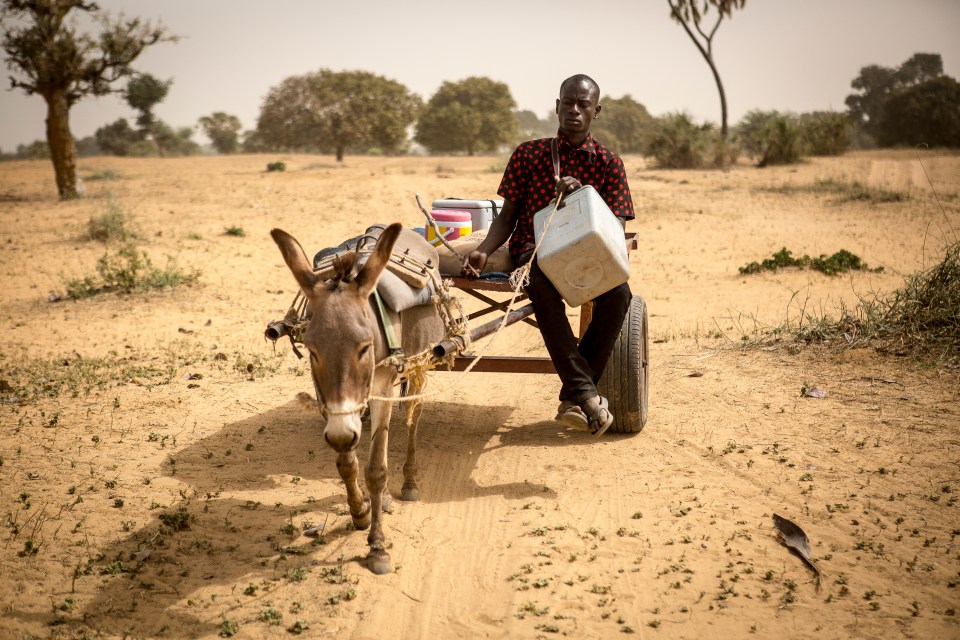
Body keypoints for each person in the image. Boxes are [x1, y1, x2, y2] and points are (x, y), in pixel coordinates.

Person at [462, 74, 634, 436]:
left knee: (619, 295)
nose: (574, 110)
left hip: (591, 255)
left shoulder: (608, 164)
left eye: (583, 105)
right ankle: (585, 393)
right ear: (557, 107)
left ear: (596, 112)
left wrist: (583, 197)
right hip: (533, 252)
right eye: (567, 103)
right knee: (541, 286)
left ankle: (575, 394)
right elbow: (506, 217)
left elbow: (615, 226)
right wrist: (483, 250)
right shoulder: (529, 154)